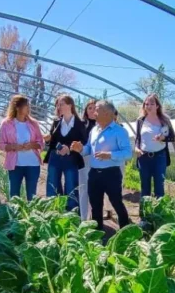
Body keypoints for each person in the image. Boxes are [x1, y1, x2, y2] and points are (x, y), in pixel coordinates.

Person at [70, 99, 132, 231]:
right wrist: (80, 149)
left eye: (97, 109)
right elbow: (88, 150)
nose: (94, 112)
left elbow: (127, 153)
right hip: (94, 174)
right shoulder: (94, 130)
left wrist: (110, 155)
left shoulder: (119, 131)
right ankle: (97, 236)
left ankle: (126, 233)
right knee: (95, 205)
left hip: (111, 173)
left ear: (107, 113)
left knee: (117, 203)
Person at [43, 94, 88, 212]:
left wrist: (69, 148)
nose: (59, 107)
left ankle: (71, 215)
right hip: (55, 158)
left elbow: (83, 141)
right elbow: (52, 142)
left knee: (71, 186)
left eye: (61, 104)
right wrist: (49, 141)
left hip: (71, 159)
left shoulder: (80, 123)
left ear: (70, 105)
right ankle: (54, 212)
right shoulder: (56, 122)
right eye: (58, 104)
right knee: (53, 185)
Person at [0, 94, 44, 201]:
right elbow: (1, 144)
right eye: (26, 105)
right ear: (17, 107)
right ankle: (15, 217)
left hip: (33, 164)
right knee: (14, 195)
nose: (28, 108)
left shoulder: (33, 123)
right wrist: (13, 146)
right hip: (15, 165)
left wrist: (32, 145)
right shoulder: (6, 124)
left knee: (32, 197)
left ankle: (31, 217)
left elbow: (40, 142)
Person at [134, 94, 175, 198]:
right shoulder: (141, 120)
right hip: (143, 157)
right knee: (145, 187)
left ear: (157, 106)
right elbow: (138, 138)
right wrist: (136, 148)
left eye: (152, 104)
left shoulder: (164, 120)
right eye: (146, 104)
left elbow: (173, 137)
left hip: (159, 157)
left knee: (159, 187)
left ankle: (159, 213)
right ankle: (145, 212)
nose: (148, 106)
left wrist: (163, 138)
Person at [77, 99, 97, 221]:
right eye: (90, 108)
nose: (92, 110)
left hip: (100, 160)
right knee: (84, 189)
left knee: (96, 190)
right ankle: (84, 218)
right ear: (86, 110)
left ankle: (95, 218)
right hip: (84, 159)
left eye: (95, 108)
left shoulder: (102, 125)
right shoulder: (81, 124)